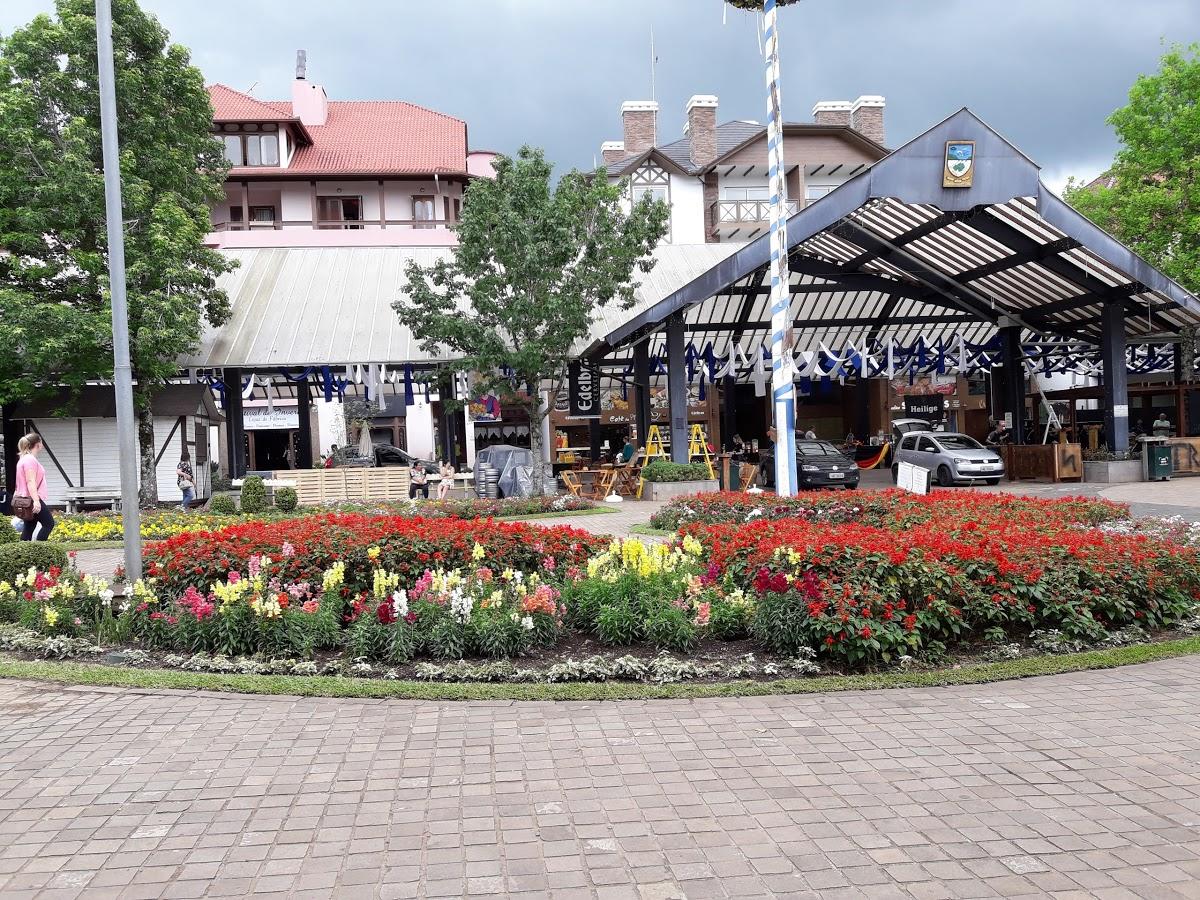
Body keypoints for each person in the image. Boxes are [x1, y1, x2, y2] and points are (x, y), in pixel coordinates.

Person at [14, 434, 52, 542]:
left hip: (25, 498)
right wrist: (36, 501)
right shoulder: (30, 460)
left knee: (30, 526)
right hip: (31, 498)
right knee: (48, 523)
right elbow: (30, 481)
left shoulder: (24, 459)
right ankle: (39, 551)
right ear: (38, 444)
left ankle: (24, 553)